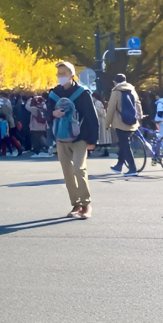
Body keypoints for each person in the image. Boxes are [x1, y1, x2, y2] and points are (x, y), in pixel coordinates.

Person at [47, 61, 98, 219]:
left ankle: (86, 204)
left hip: (80, 138)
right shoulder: (53, 93)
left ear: (72, 74)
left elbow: (91, 116)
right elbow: (47, 114)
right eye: (59, 73)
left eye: (64, 73)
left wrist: (92, 140)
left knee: (79, 169)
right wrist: (53, 114)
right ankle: (76, 204)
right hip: (61, 138)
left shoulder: (82, 93)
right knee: (67, 172)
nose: (61, 76)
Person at [105, 74, 142, 175]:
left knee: (125, 145)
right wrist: (139, 117)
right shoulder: (132, 90)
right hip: (132, 122)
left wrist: (107, 124)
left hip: (120, 123)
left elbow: (111, 109)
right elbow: (138, 104)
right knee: (124, 144)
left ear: (115, 82)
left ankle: (132, 168)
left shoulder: (116, 92)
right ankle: (119, 165)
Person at [92, 92, 112, 156]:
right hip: (102, 120)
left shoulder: (97, 103)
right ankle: (105, 150)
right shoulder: (98, 102)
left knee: (103, 137)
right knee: (104, 137)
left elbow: (100, 112)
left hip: (101, 120)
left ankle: (105, 151)